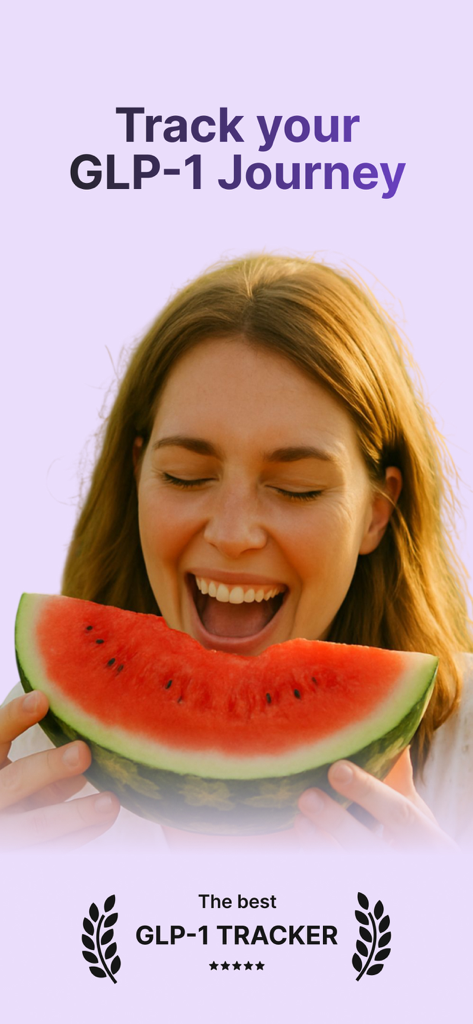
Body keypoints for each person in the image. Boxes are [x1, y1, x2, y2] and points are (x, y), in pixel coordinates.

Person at [2, 254, 472, 851]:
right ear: (138, 475)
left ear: (375, 514)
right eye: (185, 476)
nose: (233, 533)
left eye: (296, 488)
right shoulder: (37, 746)